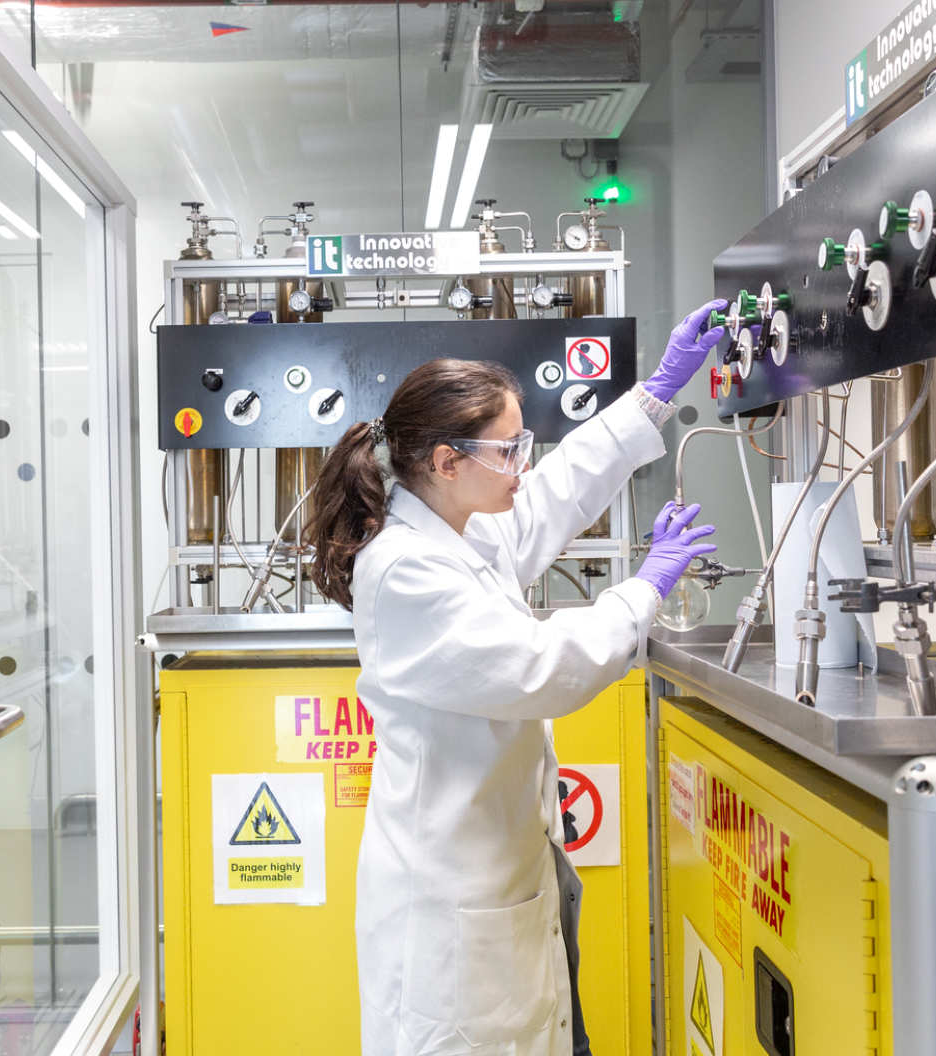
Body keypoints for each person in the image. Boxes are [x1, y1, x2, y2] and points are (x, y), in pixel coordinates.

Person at [305, 301, 729, 1055]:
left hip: (504, 869)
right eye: (507, 450)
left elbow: (552, 495)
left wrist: (656, 392)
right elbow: (540, 670)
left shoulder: (456, 525)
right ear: (445, 462)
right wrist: (643, 591)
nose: (522, 465)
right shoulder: (405, 570)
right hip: (451, 898)